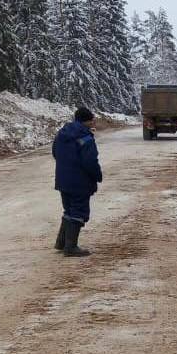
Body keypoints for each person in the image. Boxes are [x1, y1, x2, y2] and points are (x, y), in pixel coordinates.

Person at [52, 107, 102, 257]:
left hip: (62, 179)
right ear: (87, 120)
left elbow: (55, 151)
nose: (94, 121)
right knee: (78, 211)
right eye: (92, 119)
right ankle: (71, 247)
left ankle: (61, 243)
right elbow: (90, 161)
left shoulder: (62, 133)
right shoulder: (85, 137)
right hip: (79, 182)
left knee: (69, 210)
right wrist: (97, 175)